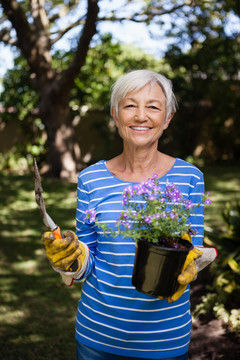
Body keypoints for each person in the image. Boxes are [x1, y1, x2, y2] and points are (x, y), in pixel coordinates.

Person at [42, 70, 217, 360]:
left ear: (168, 118)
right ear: (115, 114)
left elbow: (192, 252)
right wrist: (70, 259)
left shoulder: (190, 178)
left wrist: (191, 263)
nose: (140, 116)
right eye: (130, 105)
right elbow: (88, 260)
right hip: (97, 336)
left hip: (165, 339)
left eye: (153, 106)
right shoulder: (91, 179)